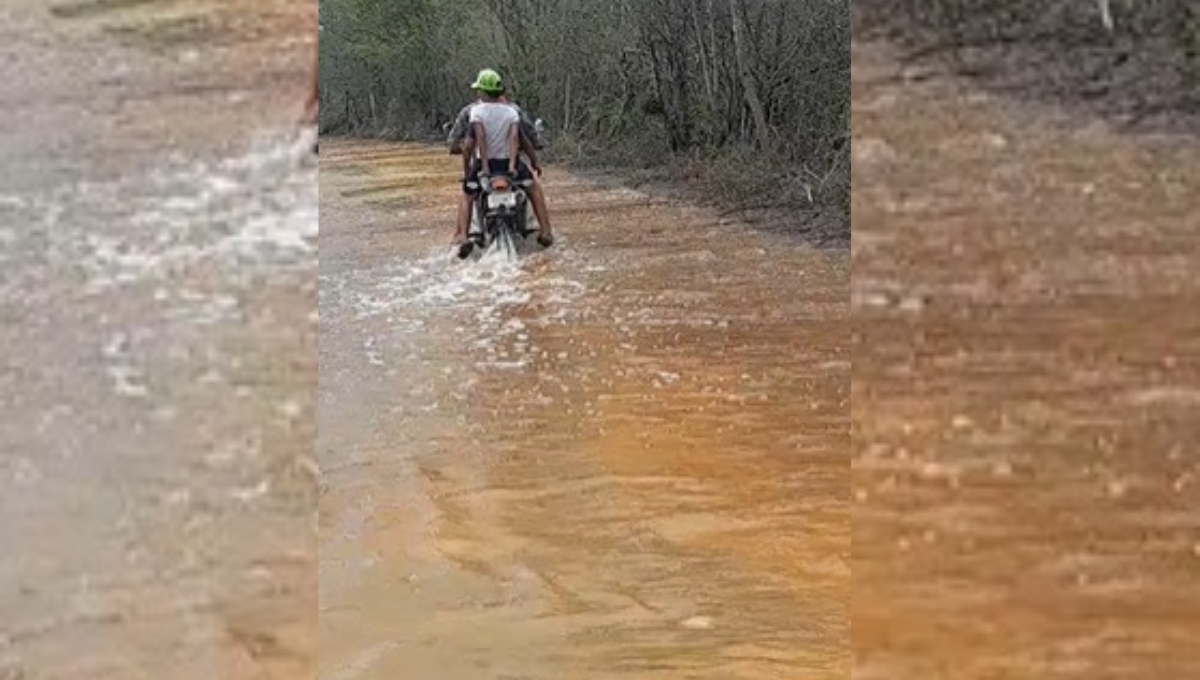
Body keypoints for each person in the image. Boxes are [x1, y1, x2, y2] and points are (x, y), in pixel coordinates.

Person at [453, 69, 553, 257]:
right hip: (508, 165)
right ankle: (546, 231)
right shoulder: (512, 111)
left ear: (482, 92)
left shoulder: (475, 111)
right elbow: (517, 138)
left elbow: (474, 141)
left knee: (467, 197)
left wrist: (478, 169)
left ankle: (464, 237)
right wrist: (519, 165)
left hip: (485, 165)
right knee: (534, 189)